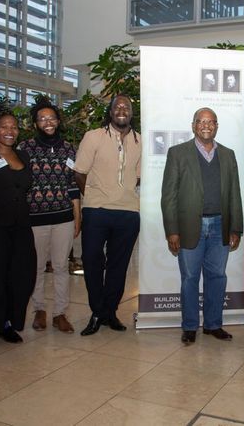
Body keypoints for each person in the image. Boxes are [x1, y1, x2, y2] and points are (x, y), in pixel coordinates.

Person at [161, 107, 243, 344]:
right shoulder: (178, 153)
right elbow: (169, 196)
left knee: (217, 276)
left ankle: (213, 324)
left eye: (211, 121)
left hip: (220, 225)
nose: (206, 125)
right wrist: (172, 230)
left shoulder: (228, 155)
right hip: (188, 226)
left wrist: (235, 227)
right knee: (189, 278)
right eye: (201, 121)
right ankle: (189, 326)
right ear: (193, 125)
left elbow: (235, 194)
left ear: (216, 126)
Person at [74, 94, 141, 336]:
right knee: (92, 262)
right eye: (117, 106)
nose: (122, 109)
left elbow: (139, 176)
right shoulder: (93, 137)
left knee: (118, 266)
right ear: (110, 111)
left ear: (131, 113)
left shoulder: (139, 141)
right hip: (96, 211)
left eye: (126, 106)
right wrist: (94, 195)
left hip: (128, 213)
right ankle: (97, 311)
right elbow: (79, 172)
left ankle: (109, 312)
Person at [19, 98, 81, 334]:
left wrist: (77, 216)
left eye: (51, 118)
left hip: (63, 217)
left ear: (58, 120)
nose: (47, 122)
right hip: (34, 219)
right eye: (42, 118)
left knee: (61, 266)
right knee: (35, 267)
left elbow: (72, 185)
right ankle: (39, 310)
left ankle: (60, 313)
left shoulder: (68, 149)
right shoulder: (25, 148)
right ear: (36, 123)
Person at [0, 110, 36, 343]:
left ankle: (13, 319)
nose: (9, 131)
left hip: (22, 225)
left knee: (23, 275)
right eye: (4, 127)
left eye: (14, 127)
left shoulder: (24, 156)